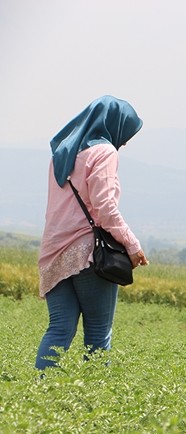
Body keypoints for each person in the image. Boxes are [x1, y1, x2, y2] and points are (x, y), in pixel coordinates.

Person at [35, 95, 149, 370]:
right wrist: (133, 246)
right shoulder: (104, 152)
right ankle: (92, 404)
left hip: (53, 253)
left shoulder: (61, 155)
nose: (124, 142)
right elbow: (105, 208)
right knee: (98, 335)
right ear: (114, 125)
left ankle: (36, 394)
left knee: (59, 329)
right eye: (126, 133)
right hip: (88, 254)